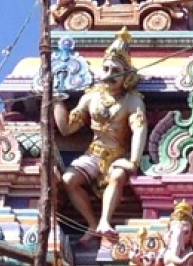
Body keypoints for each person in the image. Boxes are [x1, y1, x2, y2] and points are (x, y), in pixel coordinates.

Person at [53, 32, 149, 239]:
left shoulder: (132, 101)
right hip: (93, 153)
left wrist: (133, 161)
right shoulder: (91, 97)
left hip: (117, 155)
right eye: (106, 69)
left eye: (116, 71)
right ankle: (92, 223)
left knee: (116, 176)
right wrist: (57, 102)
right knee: (69, 180)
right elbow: (67, 129)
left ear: (126, 76)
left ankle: (105, 221)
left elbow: (139, 130)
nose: (109, 74)